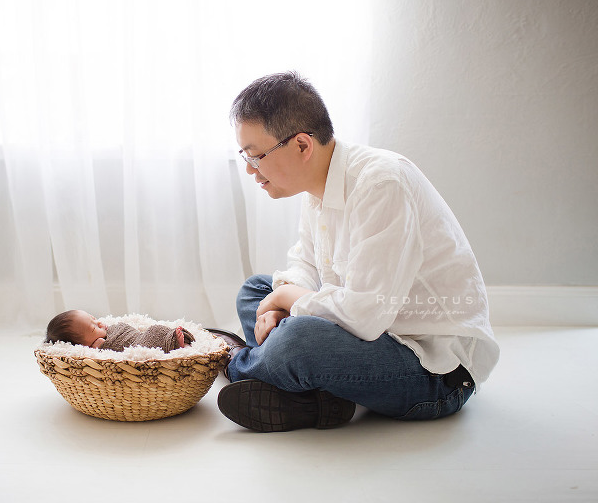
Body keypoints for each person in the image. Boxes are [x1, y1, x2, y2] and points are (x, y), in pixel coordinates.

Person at [211, 72, 500, 432]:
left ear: (302, 145)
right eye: (244, 156)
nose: (251, 170)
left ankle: (232, 361)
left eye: (256, 156)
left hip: (431, 371)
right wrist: (283, 300)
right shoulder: (317, 189)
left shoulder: (381, 184)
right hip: (371, 337)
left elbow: (364, 314)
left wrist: (287, 300)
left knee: (298, 341)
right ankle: (317, 400)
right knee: (255, 289)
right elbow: (305, 264)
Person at [46, 310, 194, 353]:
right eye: (93, 328)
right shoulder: (97, 346)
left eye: (94, 318)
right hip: (139, 343)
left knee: (154, 329)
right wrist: (99, 346)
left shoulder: (108, 330)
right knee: (153, 333)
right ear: (83, 345)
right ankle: (173, 344)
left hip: (138, 336)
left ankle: (172, 339)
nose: (98, 323)